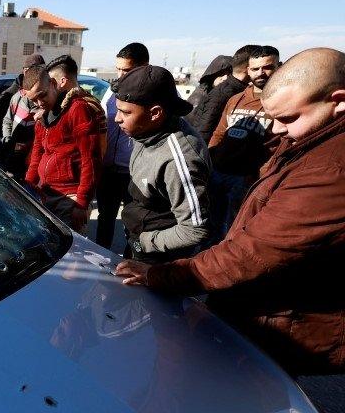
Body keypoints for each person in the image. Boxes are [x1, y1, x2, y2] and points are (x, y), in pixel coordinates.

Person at [115, 47, 345, 376]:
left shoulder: (331, 171)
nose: (276, 131)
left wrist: (156, 271)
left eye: (288, 118)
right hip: (257, 309)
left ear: (338, 101)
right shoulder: (310, 140)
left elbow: (247, 253)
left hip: (281, 323)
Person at [113, 65, 211, 264]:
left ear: (155, 113)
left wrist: (145, 243)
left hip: (159, 258)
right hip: (139, 242)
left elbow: (195, 229)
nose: (117, 119)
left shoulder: (178, 159)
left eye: (126, 112)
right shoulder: (146, 130)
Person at [207, 46, 280, 241]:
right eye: (255, 69)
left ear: (278, 67)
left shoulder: (280, 103)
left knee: (237, 231)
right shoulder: (235, 100)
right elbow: (219, 133)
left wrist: (261, 176)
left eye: (267, 67)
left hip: (249, 179)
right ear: (248, 70)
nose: (260, 73)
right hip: (220, 173)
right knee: (212, 226)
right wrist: (211, 163)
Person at [22, 62, 104, 232]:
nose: (39, 102)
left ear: (53, 84)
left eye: (42, 95)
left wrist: (81, 203)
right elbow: (37, 155)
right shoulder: (43, 117)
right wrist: (28, 187)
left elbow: (91, 159)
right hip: (46, 194)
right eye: (33, 100)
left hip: (70, 197)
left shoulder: (77, 109)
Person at [95, 43, 148, 249]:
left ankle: (130, 263)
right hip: (108, 170)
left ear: (144, 67)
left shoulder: (156, 94)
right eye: (118, 69)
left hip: (134, 174)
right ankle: (101, 258)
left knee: (134, 225)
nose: (120, 75)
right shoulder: (112, 90)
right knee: (105, 218)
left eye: (126, 70)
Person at [186, 45, 259, 143]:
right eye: (256, 68)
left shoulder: (236, 90)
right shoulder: (221, 94)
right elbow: (203, 132)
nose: (224, 77)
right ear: (248, 68)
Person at [0, 53, 45, 180]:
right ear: (24, 71)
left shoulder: (47, 102)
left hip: (35, 161)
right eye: (32, 71)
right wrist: (7, 139)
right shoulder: (16, 97)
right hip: (12, 158)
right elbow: (7, 120)